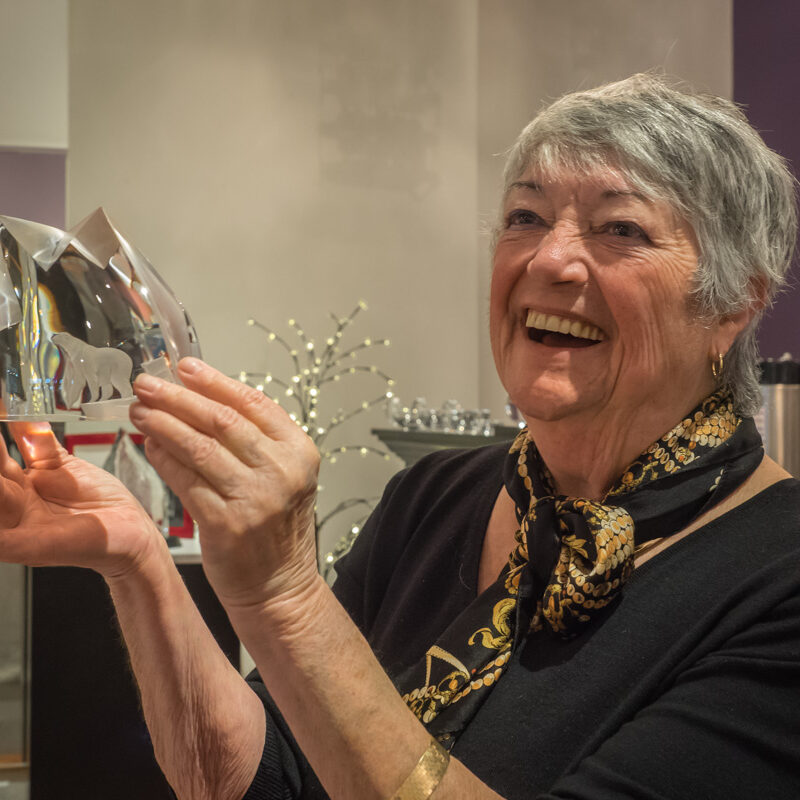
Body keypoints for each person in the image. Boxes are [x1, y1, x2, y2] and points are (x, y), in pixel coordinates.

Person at [1, 72, 799, 800]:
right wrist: (136, 559)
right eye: (525, 217)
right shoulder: (435, 497)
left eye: (620, 229)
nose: (549, 259)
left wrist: (287, 595)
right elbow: (259, 780)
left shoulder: (778, 578)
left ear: (733, 304)